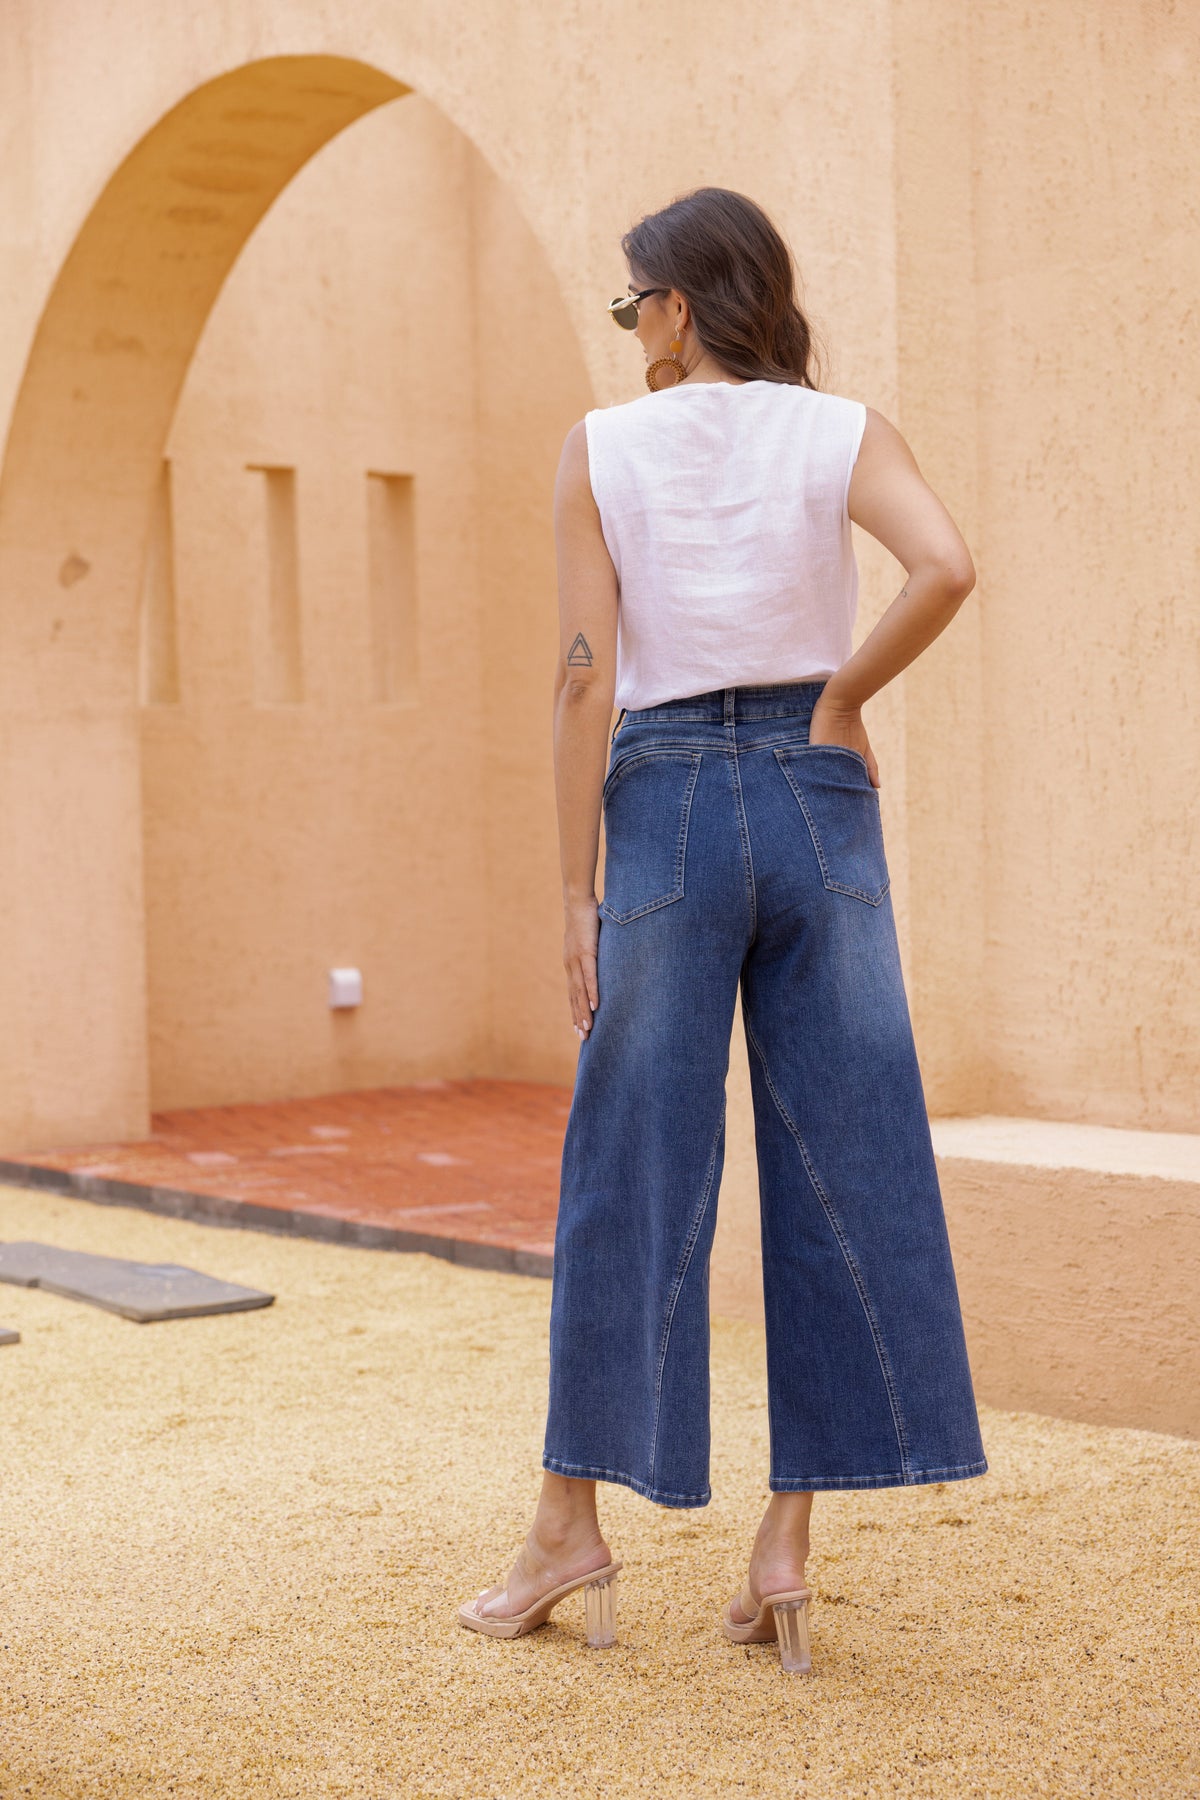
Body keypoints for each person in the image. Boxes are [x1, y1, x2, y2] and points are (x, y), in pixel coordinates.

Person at [458, 186, 987, 1668]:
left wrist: (574, 888)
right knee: (845, 1152)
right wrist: (842, 698)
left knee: (631, 1160)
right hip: (820, 800)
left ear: (679, 307)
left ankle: (568, 1524)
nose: (630, 326)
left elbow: (585, 676)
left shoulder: (602, 448)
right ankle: (786, 1544)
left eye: (634, 301)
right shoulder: (841, 430)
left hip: (669, 804)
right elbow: (946, 565)